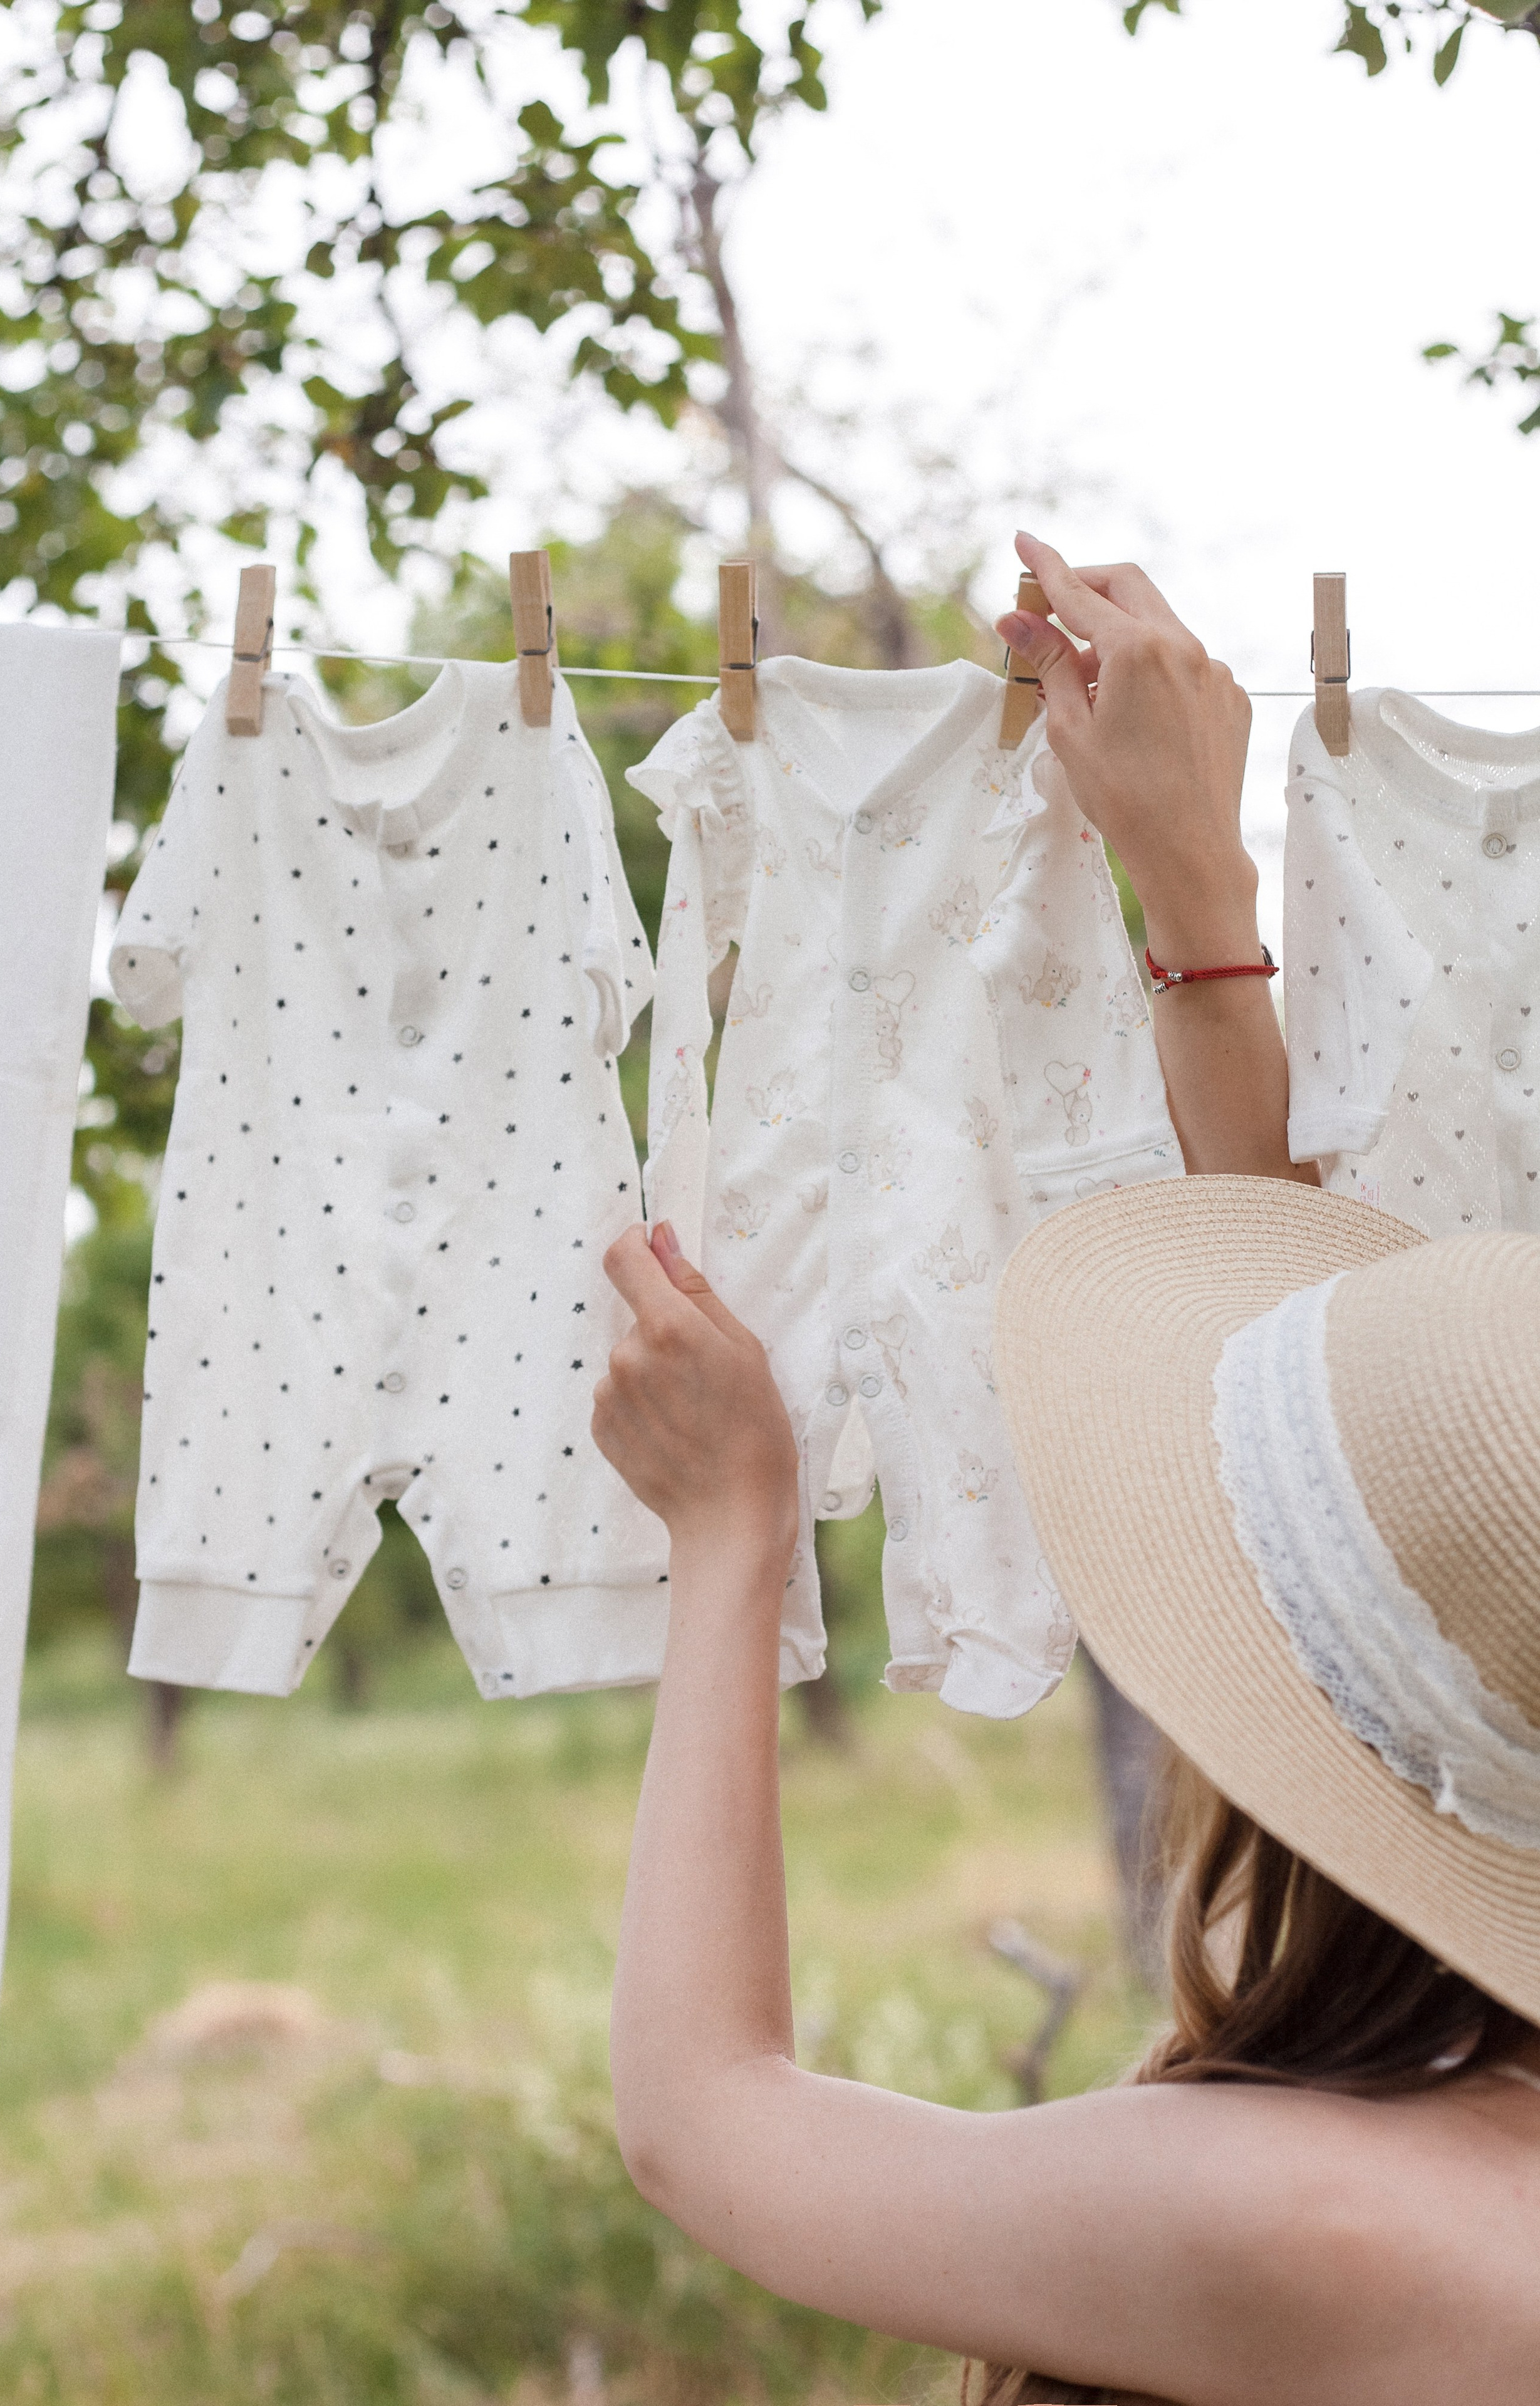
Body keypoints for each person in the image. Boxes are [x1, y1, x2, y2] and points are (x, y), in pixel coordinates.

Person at [591, 535, 1540, 2405]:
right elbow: (1401, 1494)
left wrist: (730, 1538)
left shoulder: (1329, 2222)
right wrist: (1201, 909)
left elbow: (706, 2120)